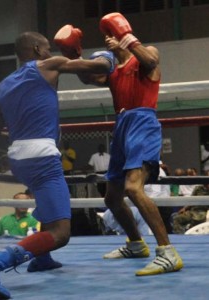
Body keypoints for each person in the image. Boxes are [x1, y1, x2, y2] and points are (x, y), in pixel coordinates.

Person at [0, 29, 113, 299]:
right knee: (61, 233)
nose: (48, 52)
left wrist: (21, 136)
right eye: (46, 48)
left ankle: (41, 258)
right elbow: (100, 67)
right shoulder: (48, 64)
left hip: (19, 156)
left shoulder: (3, 85)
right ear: (35, 49)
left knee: (46, 201)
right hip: (42, 156)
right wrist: (111, 51)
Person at [78, 12, 183, 276]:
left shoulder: (145, 56)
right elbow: (87, 78)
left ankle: (167, 252)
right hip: (122, 126)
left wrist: (126, 38)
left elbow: (150, 59)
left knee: (134, 188)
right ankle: (136, 244)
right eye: (108, 36)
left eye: (112, 33)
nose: (109, 38)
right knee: (112, 197)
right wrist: (73, 52)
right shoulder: (113, 70)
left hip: (143, 122)